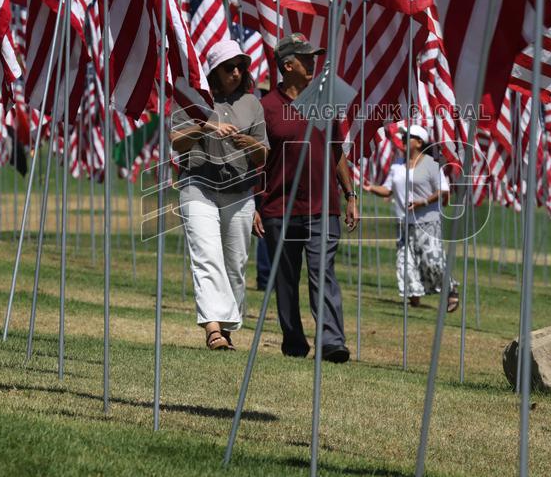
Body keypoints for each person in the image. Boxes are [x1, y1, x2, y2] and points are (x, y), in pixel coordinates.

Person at [253, 33, 359, 363]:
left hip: (322, 206)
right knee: (285, 279)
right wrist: (254, 205)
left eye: (313, 57)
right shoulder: (265, 108)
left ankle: (332, 341)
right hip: (278, 208)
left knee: (322, 271)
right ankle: (294, 341)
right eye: (306, 58)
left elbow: (337, 151)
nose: (313, 62)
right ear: (288, 65)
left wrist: (350, 194)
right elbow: (256, 161)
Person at [171, 40, 269, 350]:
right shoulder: (193, 98)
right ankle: (213, 329)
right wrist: (205, 127)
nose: (236, 72)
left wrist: (248, 143)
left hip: (239, 191)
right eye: (229, 67)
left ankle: (226, 328)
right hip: (198, 186)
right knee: (206, 255)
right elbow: (176, 142)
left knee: (235, 264)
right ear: (214, 70)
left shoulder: (252, 103)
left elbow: (263, 155)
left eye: (241, 66)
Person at [363, 125, 458, 312]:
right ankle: (414, 297)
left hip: (427, 222)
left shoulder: (431, 164)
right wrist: (371, 188)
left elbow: (443, 191)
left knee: (432, 262)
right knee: (405, 263)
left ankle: (451, 289)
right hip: (403, 222)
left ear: (419, 142)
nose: (403, 140)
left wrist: (423, 202)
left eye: (408, 137)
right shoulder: (397, 165)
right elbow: (388, 190)